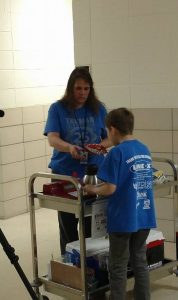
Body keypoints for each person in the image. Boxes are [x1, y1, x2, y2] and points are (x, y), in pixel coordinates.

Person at [84, 108, 157, 300]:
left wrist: (93, 190)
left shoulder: (116, 153)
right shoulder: (144, 149)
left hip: (123, 219)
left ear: (113, 130)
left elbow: (109, 188)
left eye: (108, 131)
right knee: (140, 261)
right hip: (144, 215)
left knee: (118, 265)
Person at [44, 67, 110, 256]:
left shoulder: (99, 108)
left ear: (91, 89)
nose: (82, 93)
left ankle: (93, 267)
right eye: (78, 89)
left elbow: (110, 138)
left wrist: (97, 147)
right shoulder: (57, 108)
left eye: (86, 89)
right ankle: (71, 265)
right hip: (66, 174)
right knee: (68, 226)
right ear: (71, 88)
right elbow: (52, 138)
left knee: (93, 226)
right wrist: (69, 147)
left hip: (94, 175)